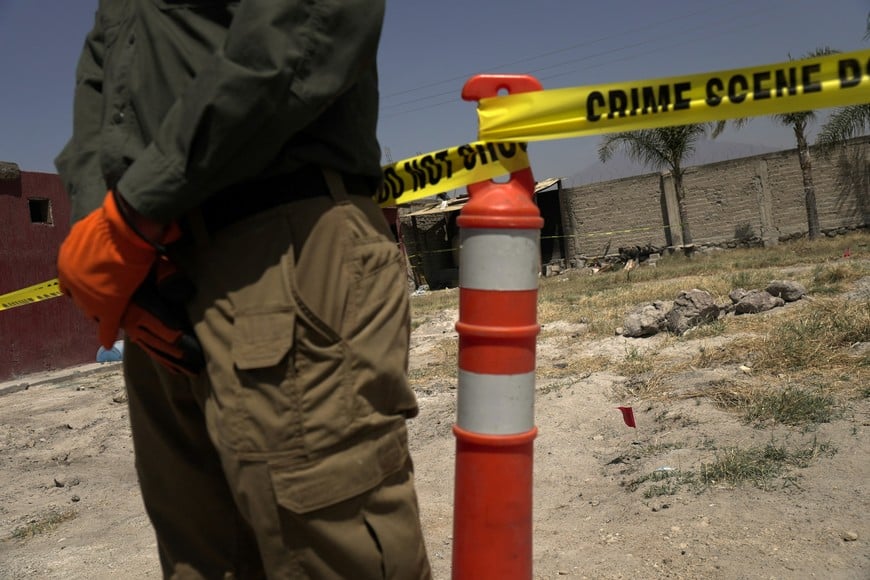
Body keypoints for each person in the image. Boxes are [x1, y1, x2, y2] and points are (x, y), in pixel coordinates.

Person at [55, 1, 432, 578]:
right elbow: (102, 85)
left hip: (284, 245)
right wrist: (98, 236)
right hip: (154, 279)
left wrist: (135, 210)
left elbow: (308, 19)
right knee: (198, 559)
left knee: (333, 553)